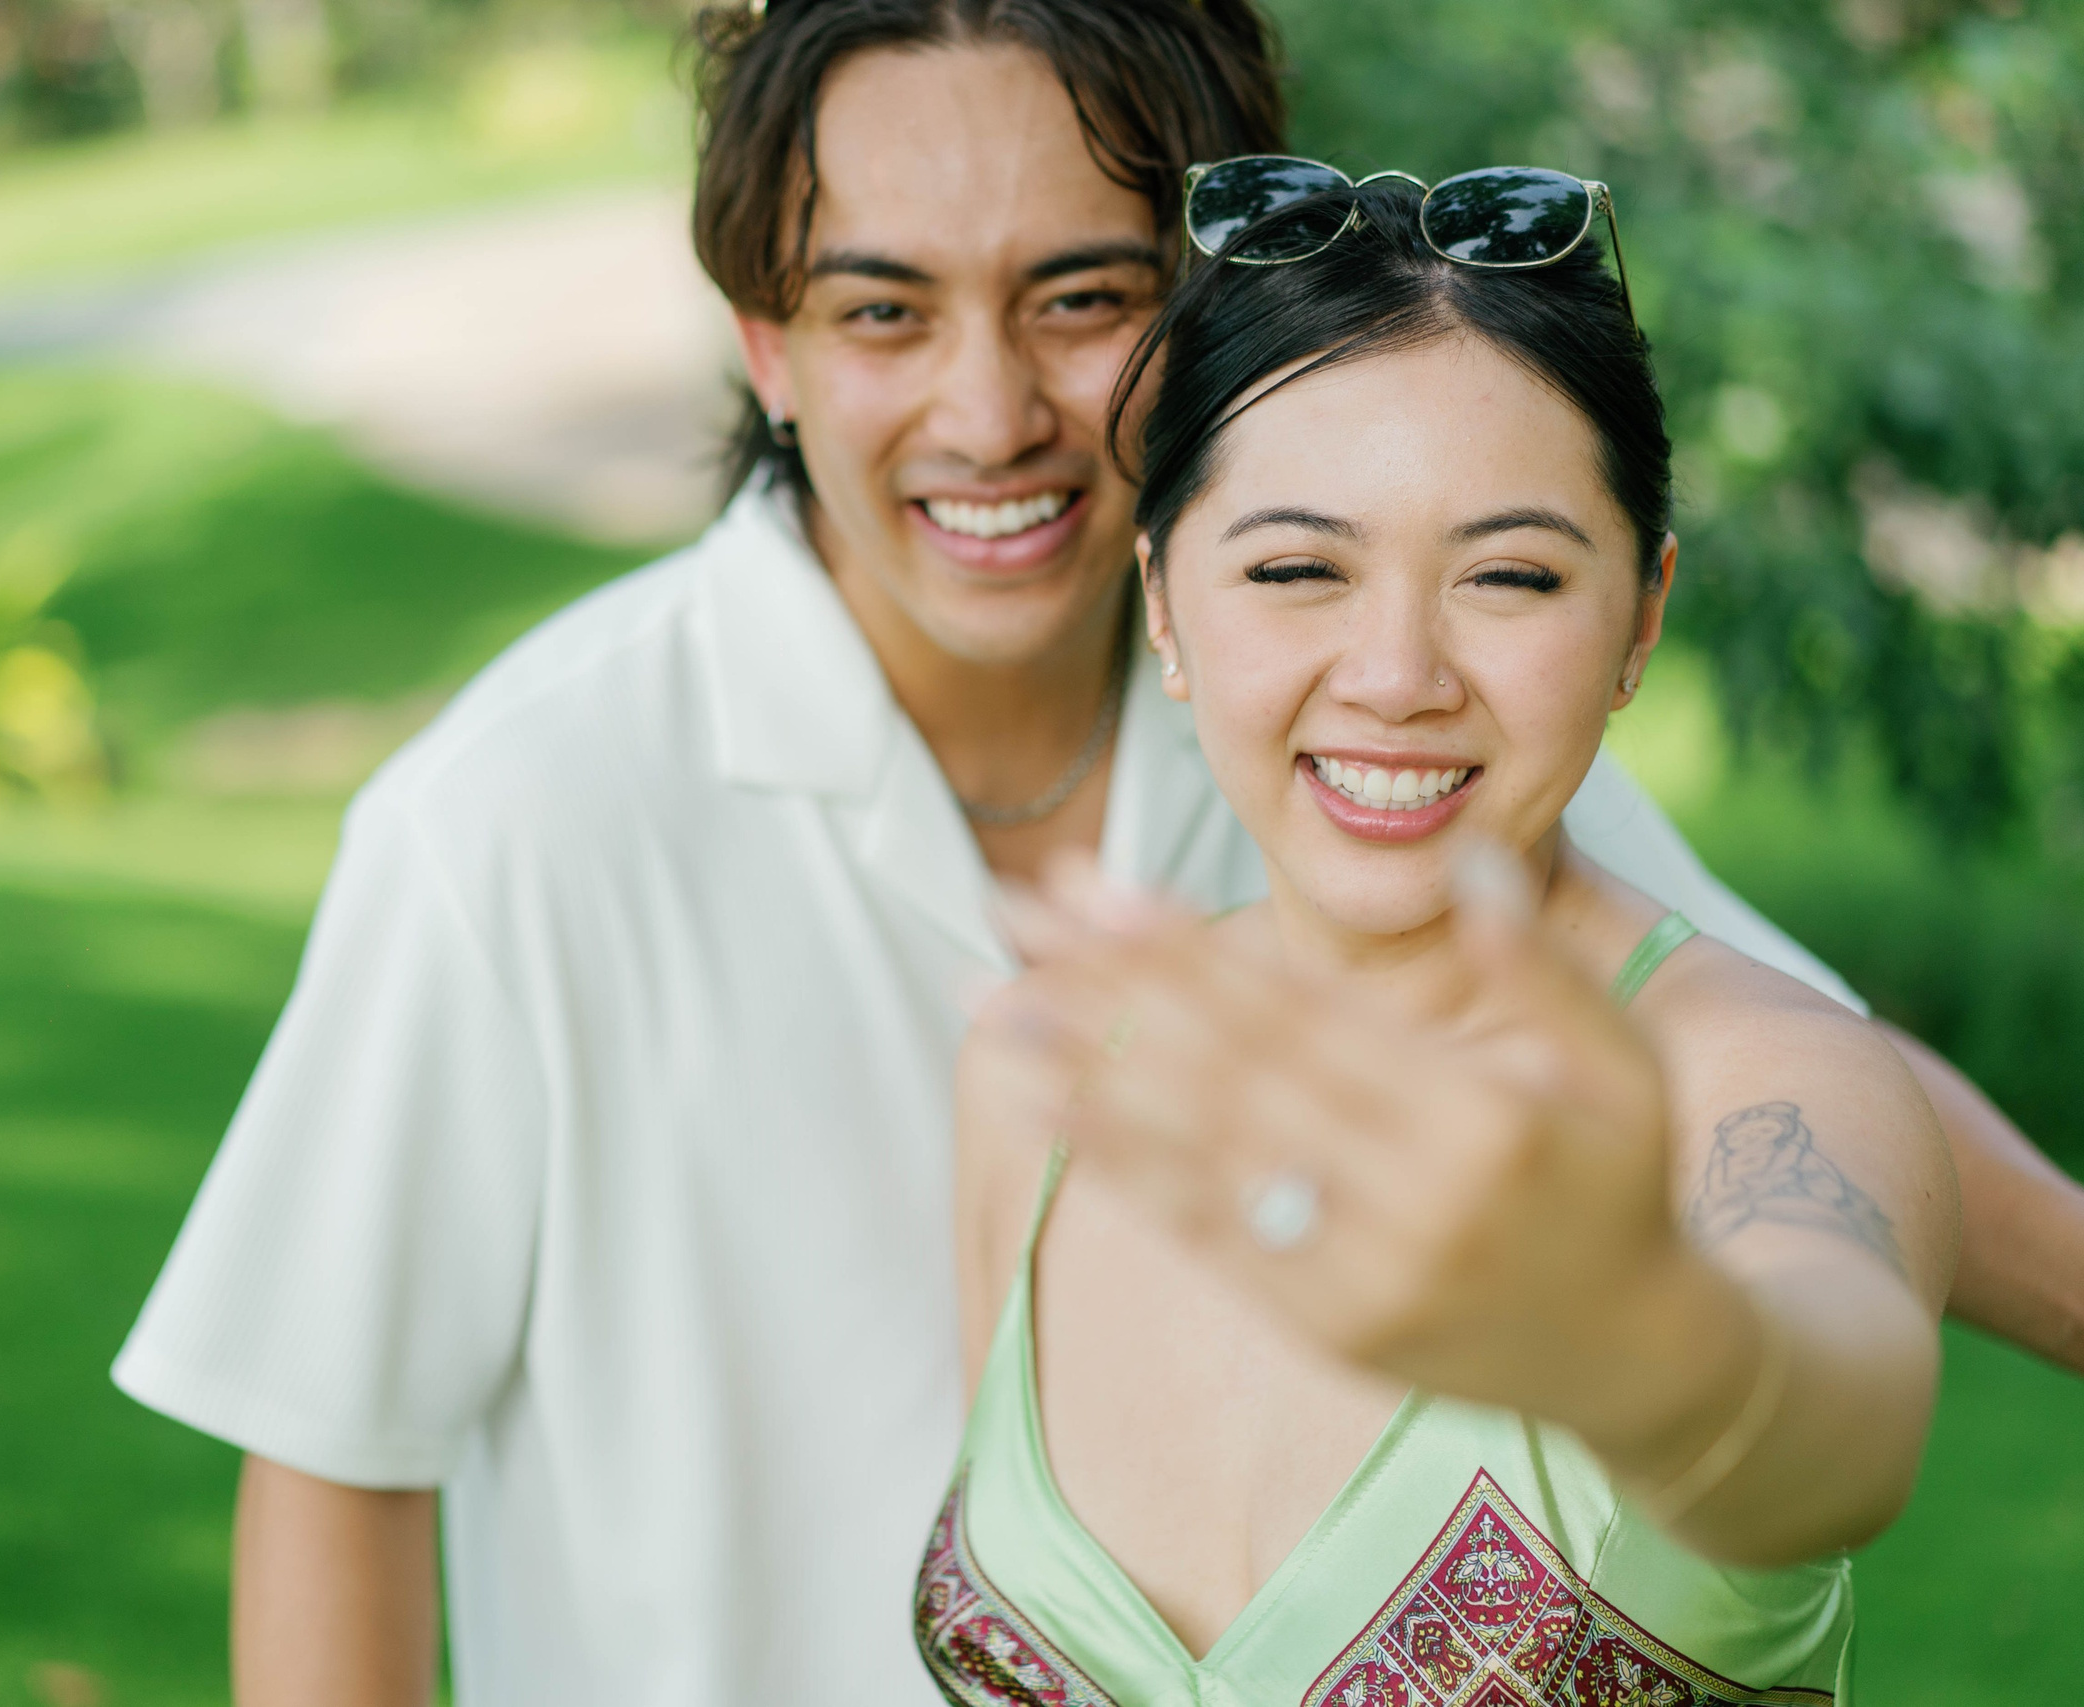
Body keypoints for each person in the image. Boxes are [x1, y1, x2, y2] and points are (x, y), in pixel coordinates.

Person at [109, 3, 2084, 1702]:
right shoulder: (514, 819)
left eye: (1079, 297)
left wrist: (1669, 1350)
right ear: (768, 344)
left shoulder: (1373, 727)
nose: (990, 411)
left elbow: (1787, 1103)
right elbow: (329, 1450)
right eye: (884, 308)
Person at [922, 165, 1952, 1707]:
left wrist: (1651, 1349)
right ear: (1164, 604)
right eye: (1294, 569)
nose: (1396, 674)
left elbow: (1837, 1421)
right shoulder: (1045, 1072)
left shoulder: (1774, 1084)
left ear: (1641, 616)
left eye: (1511, 575)